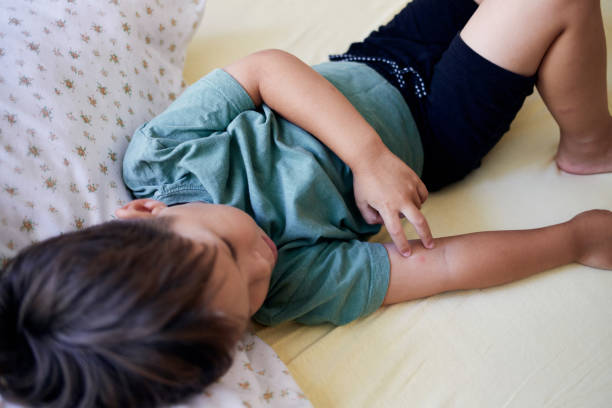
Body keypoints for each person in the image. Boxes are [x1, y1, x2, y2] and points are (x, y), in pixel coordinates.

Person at [1, 0, 612, 406]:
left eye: (227, 252)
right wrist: (573, 240)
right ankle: (590, 146)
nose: (260, 265)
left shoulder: (161, 158)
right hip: (435, 127)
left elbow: (266, 71)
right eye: (247, 305)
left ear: (144, 213)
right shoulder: (294, 283)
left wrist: (368, 158)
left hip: (373, 61)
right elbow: (438, 265)